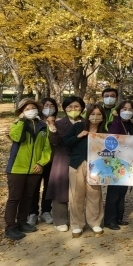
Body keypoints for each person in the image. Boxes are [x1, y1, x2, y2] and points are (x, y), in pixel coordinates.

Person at [3, 98, 52, 240]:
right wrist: (21, 121)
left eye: (33, 108)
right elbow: (17, 138)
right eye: (27, 109)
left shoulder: (43, 126)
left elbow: (47, 148)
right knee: (14, 198)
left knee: (28, 197)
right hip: (17, 168)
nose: (31, 111)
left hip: (35, 169)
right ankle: (10, 227)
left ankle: (22, 222)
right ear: (21, 112)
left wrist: (41, 163)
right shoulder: (16, 125)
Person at [63, 104, 106, 237]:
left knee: (95, 194)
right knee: (76, 195)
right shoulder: (78, 126)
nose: (95, 117)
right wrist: (78, 136)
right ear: (88, 115)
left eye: (98, 114)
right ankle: (77, 225)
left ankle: (95, 222)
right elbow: (65, 141)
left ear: (103, 117)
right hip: (77, 164)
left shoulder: (104, 131)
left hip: (96, 166)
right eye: (93, 114)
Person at [46, 96, 86, 233]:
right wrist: (52, 127)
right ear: (64, 109)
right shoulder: (58, 123)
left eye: (76, 106)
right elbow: (56, 141)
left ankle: (78, 219)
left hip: (81, 159)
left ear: (82, 108)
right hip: (63, 158)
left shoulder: (86, 123)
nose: (73, 109)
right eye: (69, 107)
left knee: (79, 190)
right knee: (60, 188)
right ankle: (60, 219)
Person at [105, 99, 133, 230]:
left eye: (130, 109)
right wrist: (116, 118)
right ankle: (110, 220)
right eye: (124, 109)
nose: (127, 111)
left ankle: (119, 217)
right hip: (115, 162)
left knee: (122, 192)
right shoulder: (114, 123)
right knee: (113, 192)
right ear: (118, 111)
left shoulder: (131, 125)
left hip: (127, 162)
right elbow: (112, 136)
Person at [27, 97, 57, 226]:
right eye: (46, 105)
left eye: (52, 105)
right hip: (36, 161)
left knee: (48, 187)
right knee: (34, 187)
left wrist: (52, 125)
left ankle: (46, 211)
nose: (49, 108)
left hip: (52, 160)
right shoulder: (34, 122)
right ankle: (32, 213)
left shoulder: (58, 122)